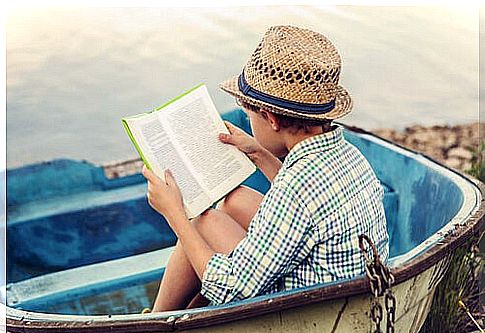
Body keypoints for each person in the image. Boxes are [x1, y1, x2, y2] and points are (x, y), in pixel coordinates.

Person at [141, 25, 389, 311]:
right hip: (342, 285)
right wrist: (259, 154)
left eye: (250, 116)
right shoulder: (348, 154)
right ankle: (183, 315)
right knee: (236, 199)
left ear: (271, 119)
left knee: (203, 223)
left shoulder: (297, 186)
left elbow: (235, 289)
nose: (250, 123)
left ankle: (156, 322)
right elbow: (312, 206)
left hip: (310, 307)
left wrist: (175, 216)